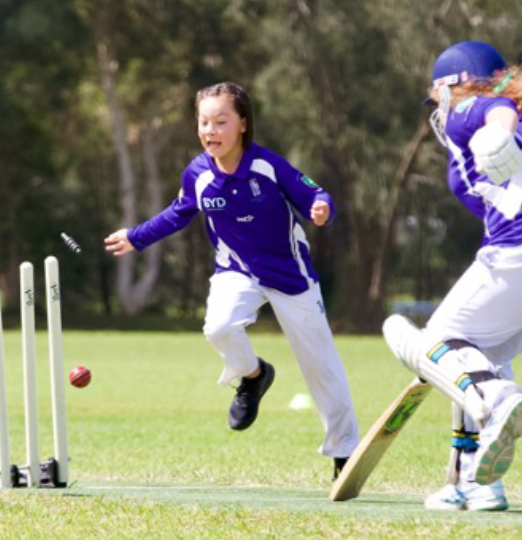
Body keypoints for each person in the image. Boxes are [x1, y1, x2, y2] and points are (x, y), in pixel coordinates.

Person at [105, 82, 359, 479]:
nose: (211, 130)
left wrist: (321, 208)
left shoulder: (267, 165)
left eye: (221, 121)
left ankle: (344, 455)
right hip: (236, 270)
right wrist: (136, 237)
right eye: (204, 122)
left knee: (321, 365)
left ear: (242, 123)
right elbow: (178, 213)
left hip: (289, 274)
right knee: (218, 327)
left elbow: (313, 194)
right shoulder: (197, 173)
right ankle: (254, 375)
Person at [383, 41, 522, 512]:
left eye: (438, 94)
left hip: (514, 253)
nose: (437, 109)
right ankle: (476, 483)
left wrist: (497, 135)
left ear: (458, 84)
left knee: (425, 339)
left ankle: (498, 397)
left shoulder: (472, 108)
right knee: (472, 360)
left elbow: (496, 109)